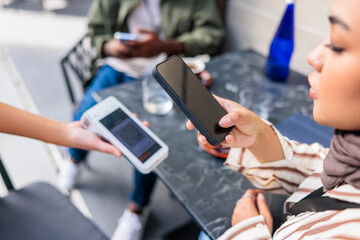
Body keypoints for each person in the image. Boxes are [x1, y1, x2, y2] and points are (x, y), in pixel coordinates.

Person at [188, 0, 360, 239]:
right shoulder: (351, 156)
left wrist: (248, 231)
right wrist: (258, 137)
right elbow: (324, 172)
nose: (313, 57)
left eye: (338, 45)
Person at [58, 0, 225, 239]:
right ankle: (74, 158)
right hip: (119, 66)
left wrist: (166, 45)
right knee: (87, 112)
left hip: (165, 70)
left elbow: (213, 35)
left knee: (148, 137)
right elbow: (96, 31)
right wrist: (109, 47)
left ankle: (137, 209)